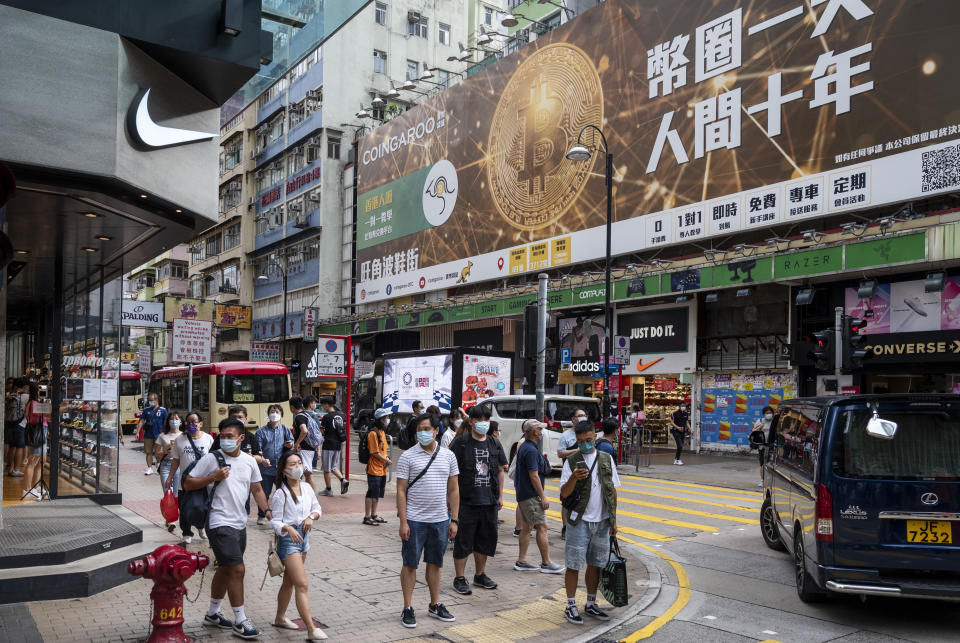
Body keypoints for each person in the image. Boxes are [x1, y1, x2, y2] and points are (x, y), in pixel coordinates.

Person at [189, 417, 272, 640]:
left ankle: (213, 613)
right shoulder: (211, 459)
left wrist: (268, 511)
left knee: (226, 569)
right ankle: (241, 620)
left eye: (230, 437)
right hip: (218, 522)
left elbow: (257, 490)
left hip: (240, 523)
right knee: (237, 570)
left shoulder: (249, 461)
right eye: (222, 436)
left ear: (241, 438)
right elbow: (187, 483)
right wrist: (212, 477)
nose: (225, 440)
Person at [396, 413, 460, 629]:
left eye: (426, 429)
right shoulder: (407, 457)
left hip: (440, 520)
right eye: (419, 430)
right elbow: (401, 491)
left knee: (435, 563)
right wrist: (403, 521)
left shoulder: (448, 456)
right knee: (410, 564)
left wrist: (454, 520)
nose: (422, 433)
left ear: (436, 431)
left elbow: (453, 489)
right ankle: (407, 607)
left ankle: (435, 604)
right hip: (414, 521)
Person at [559, 420, 621, 625]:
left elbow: (612, 491)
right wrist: (574, 479)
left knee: (595, 564)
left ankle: (591, 602)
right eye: (580, 441)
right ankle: (570, 605)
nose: (585, 444)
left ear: (595, 436)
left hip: (602, 522)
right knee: (574, 565)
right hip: (579, 522)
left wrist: (613, 520)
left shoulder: (605, 458)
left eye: (588, 440)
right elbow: (564, 494)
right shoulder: (571, 461)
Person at [449, 405, 507, 595]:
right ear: (471, 421)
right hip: (467, 501)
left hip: (488, 501)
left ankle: (480, 575)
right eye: (479, 419)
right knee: (464, 542)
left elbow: (500, 471)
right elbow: (452, 475)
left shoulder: (494, 443)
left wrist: (500, 496)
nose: (483, 423)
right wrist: (450, 501)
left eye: (486, 420)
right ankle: (459, 577)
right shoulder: (461, 443)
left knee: (485, 540)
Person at [269, 451, 326, 641]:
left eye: (299, 463)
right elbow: (275, 522)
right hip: (288, 540)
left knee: (289, 581)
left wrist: (311, 518)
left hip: (304, 539)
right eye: (292, 464)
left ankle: (279, 618)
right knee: (302, 584)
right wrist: (287, 528)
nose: (297, 467)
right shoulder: (280, 493)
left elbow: (317, 508)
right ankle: (311, 629)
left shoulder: (307, 488)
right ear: (284, 470)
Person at [513, 419, 564, 574]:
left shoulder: (526, 447)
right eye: (540, 430)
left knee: (527, 527)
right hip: (531, 494)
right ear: (534, 431)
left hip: (524, 493)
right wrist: (543, 496)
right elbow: (534, 475)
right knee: (542, 526)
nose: (541, 432)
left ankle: (522, 561)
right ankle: (546, 563)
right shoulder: (530, 450)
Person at [164, 411, 213, 543]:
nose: (191, 424)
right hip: (184, 483)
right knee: (185, 508)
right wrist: (170, 477)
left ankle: (201, 527)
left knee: (203, 507)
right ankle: (187, 532)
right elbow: (175, 460)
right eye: (189, 422)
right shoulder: (180, 439)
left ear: (201, 424)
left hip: (203, 481)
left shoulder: (208, 439)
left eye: (194, 422)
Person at [254, 404, 294, 525]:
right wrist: (262, 459)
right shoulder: (261, 431)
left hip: (281, 469)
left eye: (277, 412)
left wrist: (290, 444)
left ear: (281, 415)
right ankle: (262, 515)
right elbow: (258, 448)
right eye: (272, 411)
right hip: (265, 469)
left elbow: (291, 441)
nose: (274, 414)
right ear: (268, 415)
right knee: (264, 493)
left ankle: (281, 515)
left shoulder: (285, 429)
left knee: (283, 492)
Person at [556, 408, 588, 539]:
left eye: (584, 415)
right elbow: (560, 453)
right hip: (570, 471)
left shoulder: (587, 433)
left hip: (585, 470)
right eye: (580, 415)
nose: (582, 417)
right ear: (573, 419)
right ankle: (565, 527)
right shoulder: (566, 436)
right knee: (567, 500)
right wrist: (576, 450)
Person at [155, 412, 182, 531]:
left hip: (180, 466)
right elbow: (156, 453)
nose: (174, 421)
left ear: (181, 421)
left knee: (175, 494)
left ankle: (171, 519)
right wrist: (164, 452)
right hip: (166, 465)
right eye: (171, 419)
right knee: (167, 492)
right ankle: (171, 520)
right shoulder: (162, 436)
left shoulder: (184, 436)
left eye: (176, 419)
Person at [364, 407, 392, 525]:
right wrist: (385, 459)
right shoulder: (372, 433)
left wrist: (387, 459)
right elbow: (374, 452)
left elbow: (383, 449)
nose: (387, 419)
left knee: (378, 493)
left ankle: (374, 514)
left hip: (382, 468)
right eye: (385, 417)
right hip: (374, 468)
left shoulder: (381, 432)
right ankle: (367, 517)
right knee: (371, 492)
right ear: (380, 419)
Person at [318, 396, 348, 496]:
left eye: (323, 405)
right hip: (338, 445)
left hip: (328, 445)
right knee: (333, 466)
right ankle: (343, 480)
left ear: (326, 404)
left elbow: (321, 430)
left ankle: (328, 489)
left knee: (326, 469)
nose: (323, 407)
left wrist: (323, 433)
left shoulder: (327, 417)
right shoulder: (341, 415)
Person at [21, 382, 47, 498]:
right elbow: (48, 413)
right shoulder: (33, 403)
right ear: (36, 391)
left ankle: (35, 486)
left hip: (42, 431)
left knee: (41, 461)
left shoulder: (35, 403)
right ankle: (26, 489)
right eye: (40, 389)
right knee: (33, 461)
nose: (43, 392)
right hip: (37, 432)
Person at [290, 396, 317, 489]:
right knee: (304, 473)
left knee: (307, 474)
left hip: (304, 449)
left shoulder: (299, 417)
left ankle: (312, 496)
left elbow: (304, 431)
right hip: (310, 448)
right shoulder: (306, 414)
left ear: (292, 407)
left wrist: (297, 444)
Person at [137, 392, 168, 475]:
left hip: (159, 435)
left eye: (151, 400)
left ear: (156, 400)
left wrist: (166, 433)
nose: (150, 402)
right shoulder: (146, 410)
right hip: (148, 435)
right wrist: (137, 432)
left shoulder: (163, 410)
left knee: (159, 452)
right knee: (148, 452)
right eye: (149, 400)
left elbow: (166, 422)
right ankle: (149, 468)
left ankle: (158, 464)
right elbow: (141, 421)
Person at [4, 378, 29, 478]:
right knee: (20, 446)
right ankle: (16, 469)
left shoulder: (9, 395)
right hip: (20, 424)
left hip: (9, 423)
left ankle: (10, 468)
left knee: (11, 446)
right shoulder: (26, 396)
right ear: (24, 387)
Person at [749, 406, 774, 485]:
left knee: (772, 464)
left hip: (772, 446)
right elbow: (753, 431)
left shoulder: (775, 422)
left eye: (770, 413)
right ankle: (763, 481)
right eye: (767, 413)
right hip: (762, 446)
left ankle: (771, 481)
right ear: (764, 414)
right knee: (762, 464)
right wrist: (760, 427)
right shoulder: (760, 421)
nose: (769, 414)